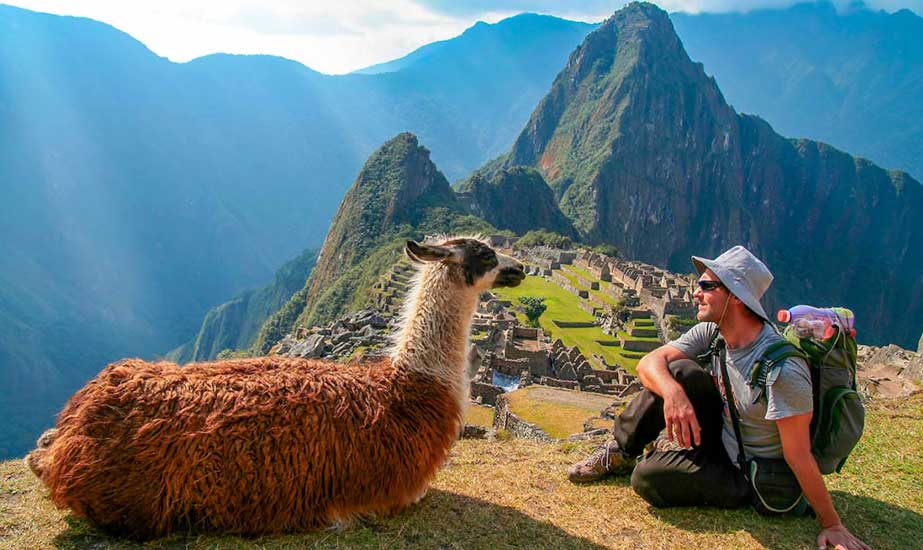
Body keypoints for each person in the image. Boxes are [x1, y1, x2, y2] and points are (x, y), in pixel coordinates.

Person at [567, 246, 868, 550]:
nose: (696, 292)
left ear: (737, 297)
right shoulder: (714, 332)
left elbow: (798, 456)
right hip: (722, 436)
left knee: (647, 478)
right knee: (678, 372)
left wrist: (832, 524)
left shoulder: (782, 370)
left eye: (707, 286)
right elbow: (649, 363)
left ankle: (662, 461)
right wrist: (674, 395)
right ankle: (618, 452)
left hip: (748, 472)